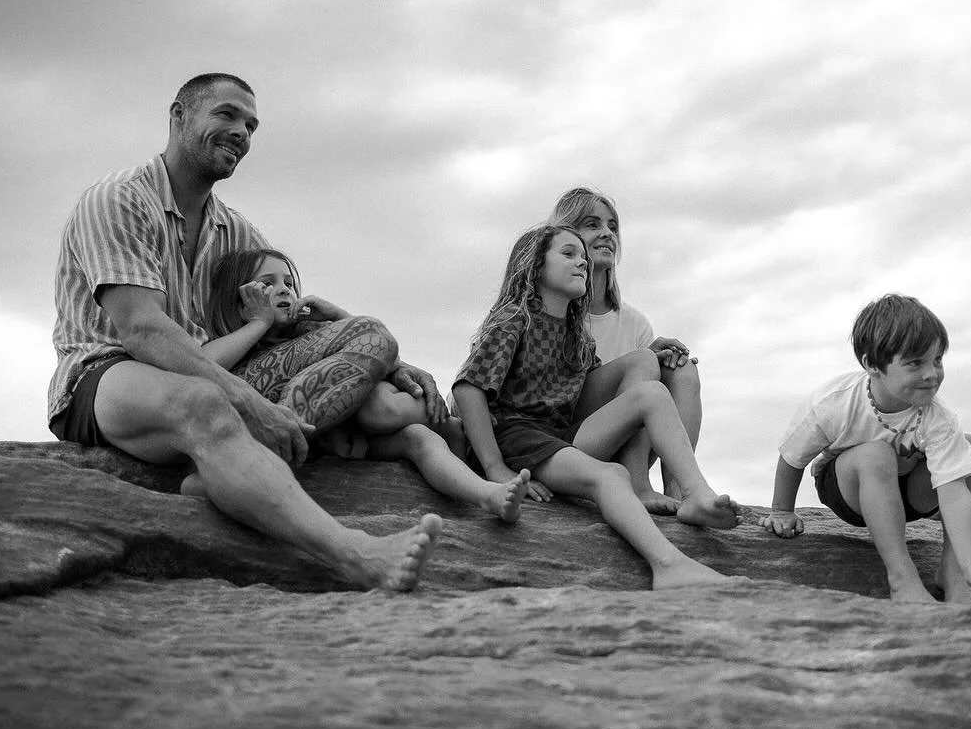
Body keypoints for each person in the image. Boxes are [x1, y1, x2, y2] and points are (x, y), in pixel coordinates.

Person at [47, 72, 440, 591]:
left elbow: (288, 312)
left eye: (251, 126)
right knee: (202, 402)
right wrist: (252, 404)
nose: (241, 132)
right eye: (226, 114)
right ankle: (355, 553)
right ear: (179, 116)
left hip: (211, 369)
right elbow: (143, 331)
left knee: (370, 332)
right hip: (108, 373)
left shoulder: (234, 231)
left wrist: (392, 362)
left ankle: (226, 469)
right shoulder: (117, 199)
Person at [452, 223, 740, 590]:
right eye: (568, 254)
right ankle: (668, 565)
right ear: (535, 265)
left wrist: (649, 359)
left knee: (651, 392)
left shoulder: (577, 336)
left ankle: (695, 493)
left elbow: (600, 391)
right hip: (518, 438)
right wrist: (495, 467)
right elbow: (468, 388)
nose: (583, 263)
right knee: (610, 476)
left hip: (561, 436)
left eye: (584, 259)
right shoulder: (514, 319)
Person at [202, 247, 531, 522]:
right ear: (238, 300)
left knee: (419, 437)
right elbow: (201, 364)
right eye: (267, 284)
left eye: (289, 283)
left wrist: (337, 316)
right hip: (312, 440)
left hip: (356, 436)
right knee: (389, 410)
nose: (284, 289)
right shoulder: (240, 346)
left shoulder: (310, 331)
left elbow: (369, 352)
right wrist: (258, 323)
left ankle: (486, 495)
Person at [762, 294, 971, 607]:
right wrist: (782, 510)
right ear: (872, 365)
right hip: (850, 491)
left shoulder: (937, 417)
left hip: (908, 496)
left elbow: (953, 494)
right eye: (915, 363)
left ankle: (955, 576)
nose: (931, 374)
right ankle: (902, 580)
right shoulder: (836, 401)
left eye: (937, 360)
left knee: (970, 449)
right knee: (875, 454)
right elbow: (792, 457)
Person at [549, 187, 700, 510]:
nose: (607, 233)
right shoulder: (554, 308)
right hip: (572, 441)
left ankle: (680, 493)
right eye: (592, 224)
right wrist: (642, 360)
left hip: (624, 443)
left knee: (682, 369)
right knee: (644, 361)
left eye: (613, 226)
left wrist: (658, 360)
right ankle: (638, 485)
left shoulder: (634, 322)